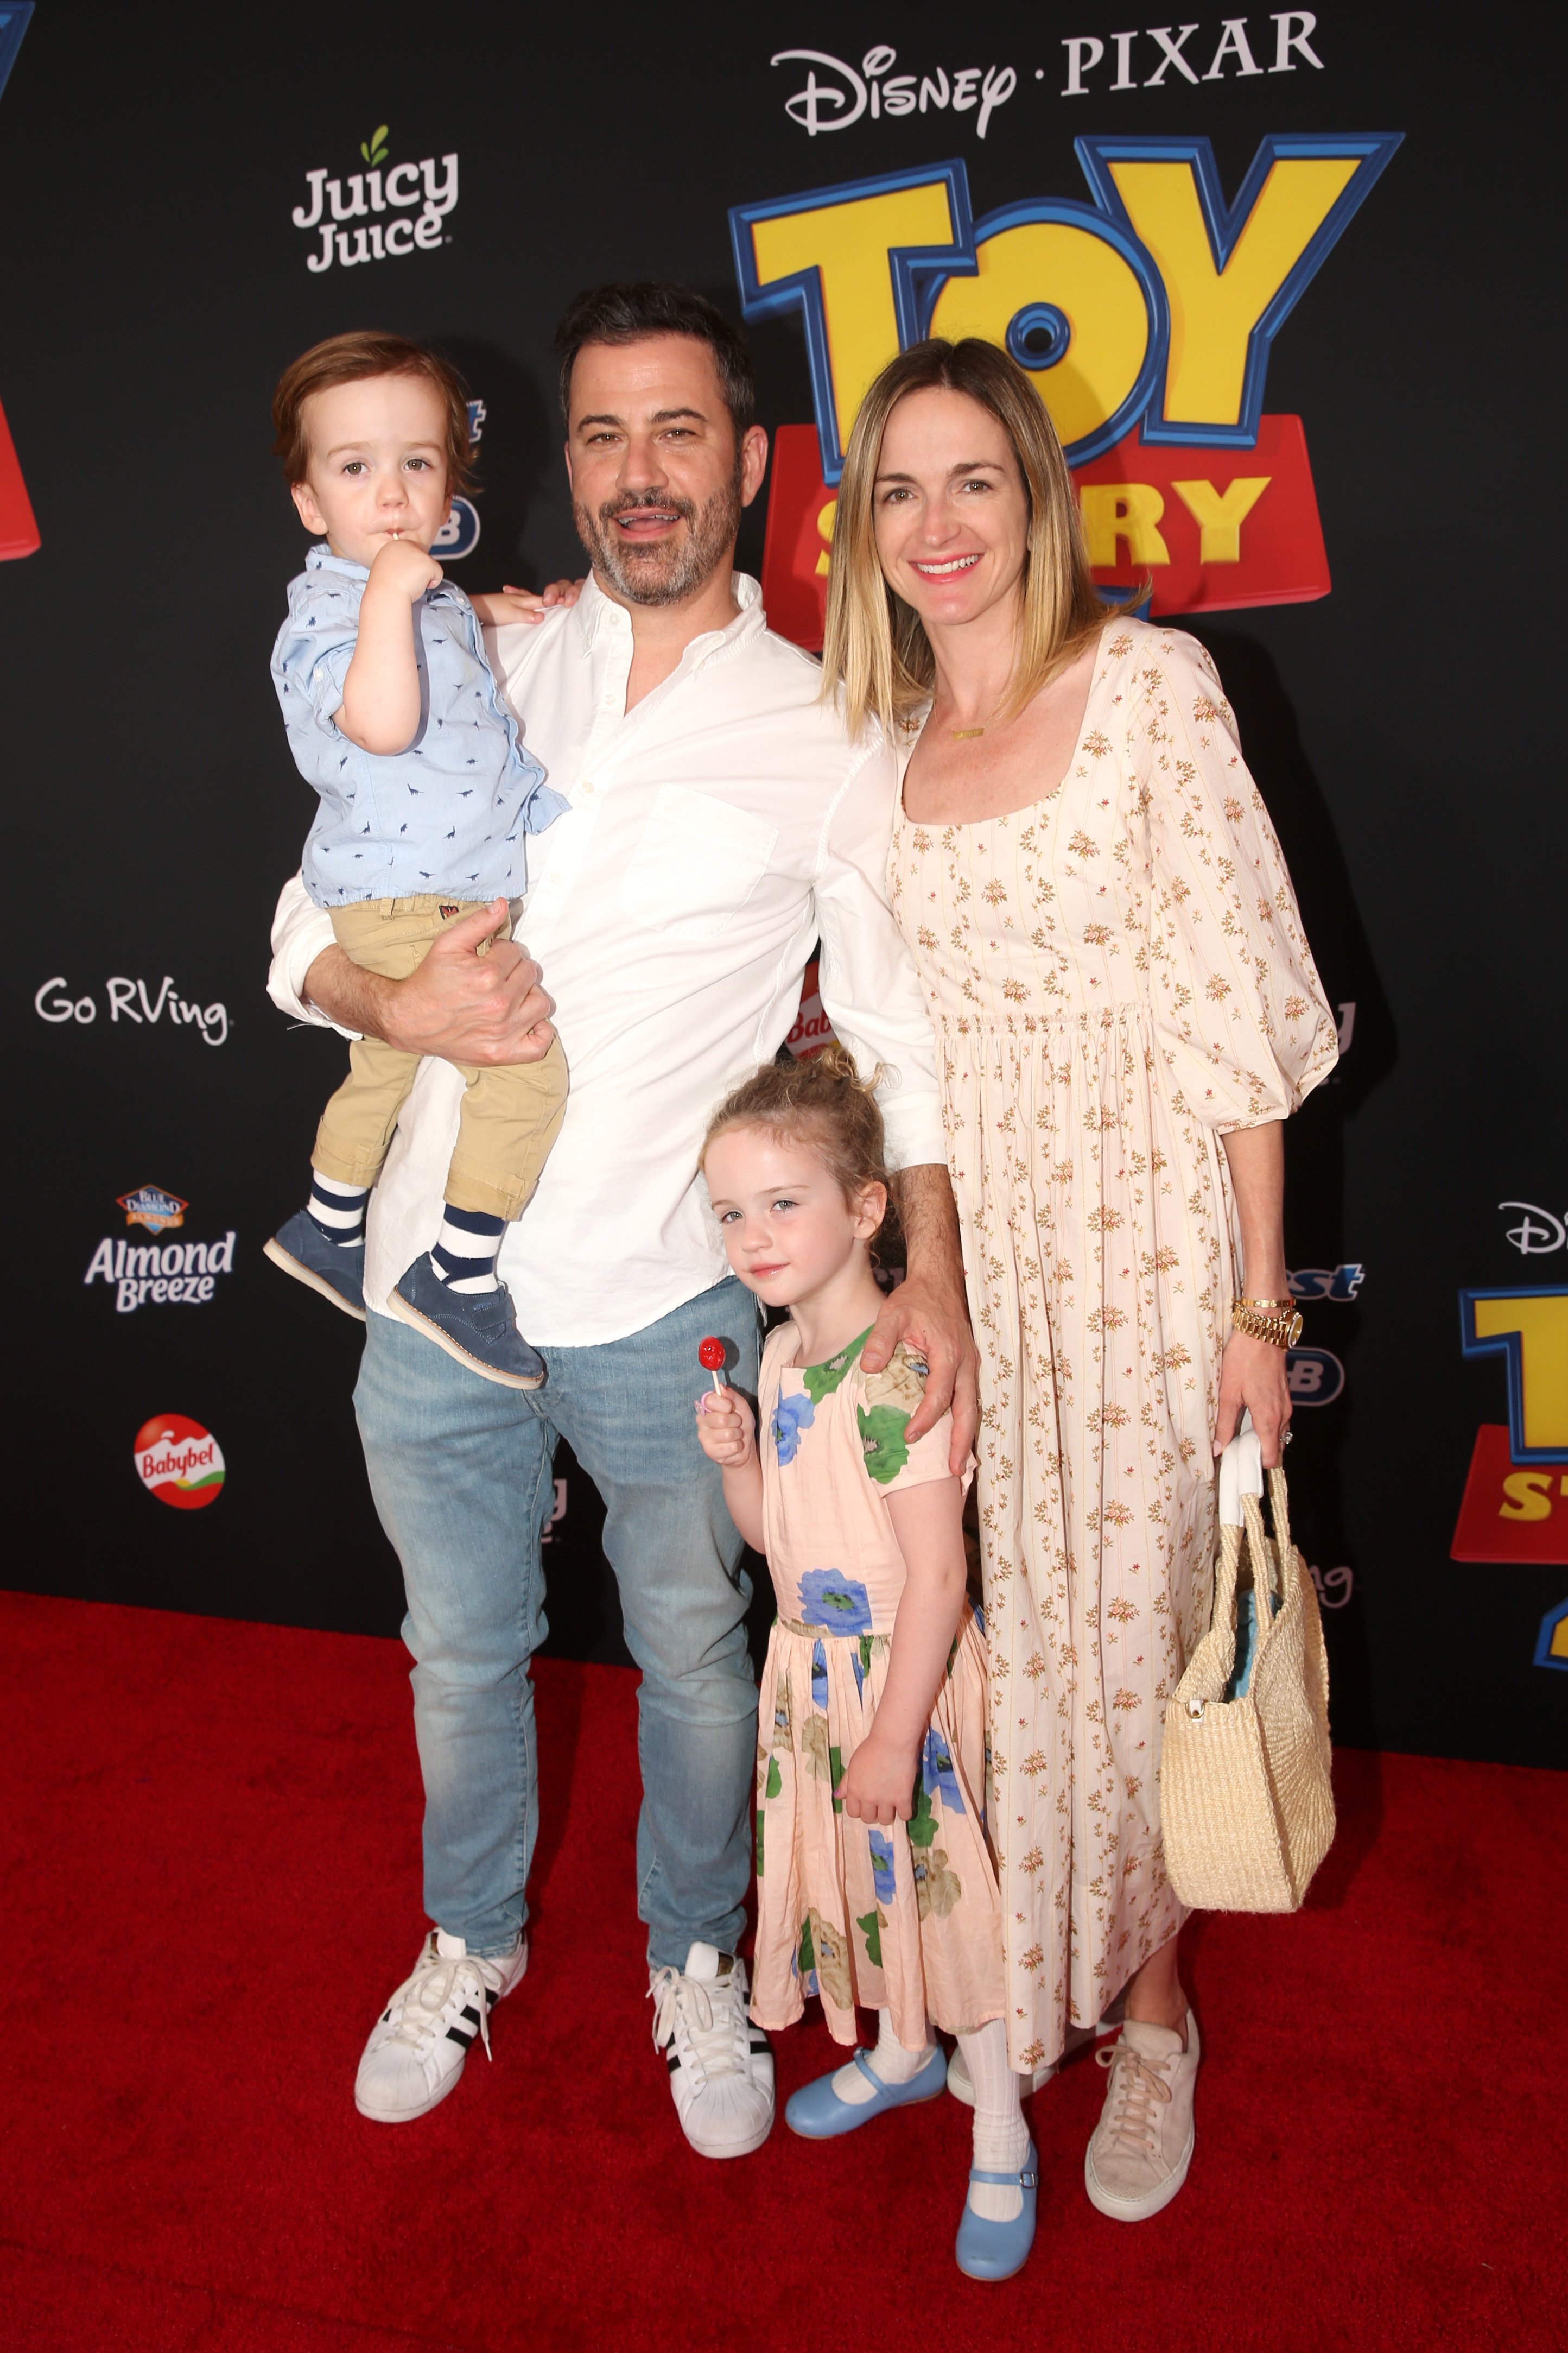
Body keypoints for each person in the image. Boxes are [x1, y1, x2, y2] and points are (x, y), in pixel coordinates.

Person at [265, 286, 979, 2156]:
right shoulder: (476, 650)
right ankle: (469, 1938)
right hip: (433, 1287)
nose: (637, 473)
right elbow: (306, 913)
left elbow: (898, 1044)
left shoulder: (834, 727)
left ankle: (692, 1956)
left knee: (691, 1655)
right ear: (561, 469)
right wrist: (392, 1005)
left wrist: (936, 1281)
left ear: (753, 463)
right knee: (459, 1653)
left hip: (673, 1304)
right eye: (599, 434)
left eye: (677, 432)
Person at [818, 337, 1337, 2222]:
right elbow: (906, 1068)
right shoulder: (889, 757)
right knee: (1006, 1646)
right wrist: (926, 1276)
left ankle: (1157, 2010)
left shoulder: (1151, 690)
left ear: (1037, 497)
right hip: (985, 1254)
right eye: (900, 490)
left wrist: (1260, 1307)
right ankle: (997, 2001)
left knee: (1131, 1652)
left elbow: (1233, 1014)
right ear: (861, 531)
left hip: (1144, 1238)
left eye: (974, 480)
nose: (939, 526)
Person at [694, 1046, 1034, 2280]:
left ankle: (998, 2124)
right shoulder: (780, 1357)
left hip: (904, 1687)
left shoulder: (898, 1368)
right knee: (863, 1889)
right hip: (809, 1677)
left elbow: (937, 1579)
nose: (752, 1235)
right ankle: (900, 2053)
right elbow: (778, 1543)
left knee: (948, 1910)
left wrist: (896, 1734)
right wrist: (740, 1461)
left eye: (783, 1203)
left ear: (867, 1206)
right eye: (730, 1210)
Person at [263, 332, 569, 1389]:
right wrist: (396, 598)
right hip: (413, 898)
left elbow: (434, 622)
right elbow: (382, 722)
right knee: (524, 1070)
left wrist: (489, 607)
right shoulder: (335, 615)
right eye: (355, 468)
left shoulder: (411, 594)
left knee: (384, 1059)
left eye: (417, 463)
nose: (391, 494)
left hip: (409, 889)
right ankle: (458, 1272)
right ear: (309, 502)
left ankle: (326, 1224)